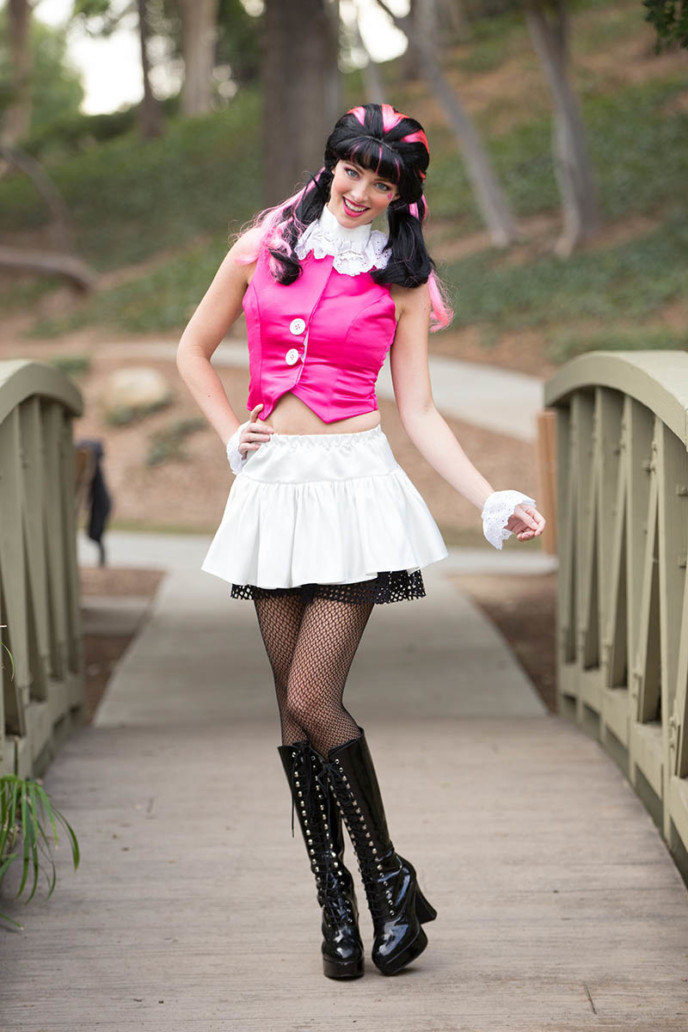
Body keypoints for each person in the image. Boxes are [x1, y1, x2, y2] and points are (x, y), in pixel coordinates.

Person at [176, 102, 546, 981]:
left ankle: (387, 874)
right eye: (352, 172)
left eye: (381, 184)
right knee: (291, 711)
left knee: (313, 695)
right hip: (273, 492)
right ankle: (336, 903)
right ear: (331, 166)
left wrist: (490, 496)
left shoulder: (402, 278)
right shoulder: (262, 246)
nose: (360, 192)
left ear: (401, 195)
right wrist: (232, 435)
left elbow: (419, 410)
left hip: (355, 492)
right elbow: (192, 350)